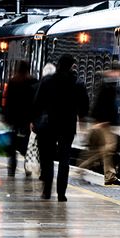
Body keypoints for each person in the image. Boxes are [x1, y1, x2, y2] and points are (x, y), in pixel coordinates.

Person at [32, 55, 88, 201]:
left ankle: (47, 190)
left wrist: (34, 121)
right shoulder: (77, 83)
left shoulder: (47, 81)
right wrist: (81, 118)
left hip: (49, 125)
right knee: (64, 160)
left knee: (47, 158)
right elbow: (84, 107)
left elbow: (37, 103)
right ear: (71, 66)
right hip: (67, 126)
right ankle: (61, 193)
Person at [79, 65, 120, 185]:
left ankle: (110, 177)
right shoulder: (108, 85)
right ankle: (83, 168)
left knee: (106, 150)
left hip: (104, 122)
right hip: (103, 123)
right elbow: (101, 103)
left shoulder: (109, 84)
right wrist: (102, 121)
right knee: (107, 149)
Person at [3, 60, 37, 177]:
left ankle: (11, 169)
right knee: (27, 145)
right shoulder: (32, 81)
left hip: (14, 119)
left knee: (12, 146)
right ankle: (27, 169)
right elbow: (34, 102)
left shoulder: (12, 81)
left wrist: (6, 117)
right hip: (27, 120)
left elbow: (8, 101)